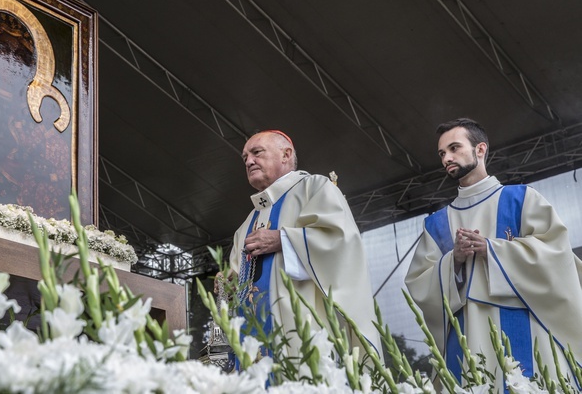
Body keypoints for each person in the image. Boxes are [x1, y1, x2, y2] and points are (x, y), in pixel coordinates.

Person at [405, 118, 582, 389]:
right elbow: (418, 283)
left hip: (526, 328)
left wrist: (492, 249)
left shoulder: (522, 199)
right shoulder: (436, 224)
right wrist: (454, 261)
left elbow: (556, 256)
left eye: (454, 148)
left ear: (480, 149)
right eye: (442, 153)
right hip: (467, 336)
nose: (446, 158)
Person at [221, 129, 382, 367]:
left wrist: (282, 240)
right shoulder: (247, 222)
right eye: (245, 157)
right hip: (252, 342)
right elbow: (239, 277)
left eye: (256, 152)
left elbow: (341, 243)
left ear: (286, 155)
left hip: (302, 334)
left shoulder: (314, 188)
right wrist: (229, 285)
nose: (249, 161)